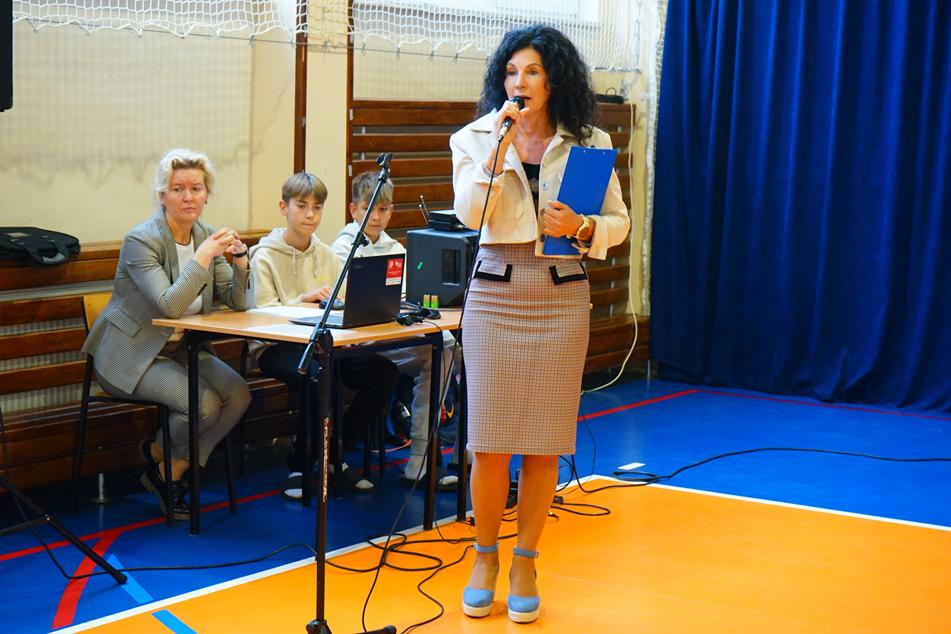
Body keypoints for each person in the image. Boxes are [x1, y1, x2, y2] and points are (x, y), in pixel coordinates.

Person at [450, 25, 631, 623]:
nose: (519, 82)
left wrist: (581, 225)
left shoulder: (590, 141)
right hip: (494, 294)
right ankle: (484, 557)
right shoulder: (475, 137)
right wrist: (496, 154)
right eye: (510, 72)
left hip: (559, 294)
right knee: (489, 441)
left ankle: (525, 560)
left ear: (554, 79)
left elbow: (618, 222)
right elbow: (469, 214)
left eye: (531, 71)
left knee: (545, 439)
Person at [81, 148, 253, 520]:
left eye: (196, 188)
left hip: (178, 350)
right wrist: (203, 256)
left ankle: (167, 465)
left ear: (207, 195)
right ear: (162, 196)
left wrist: (240, 260)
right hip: (130, 354)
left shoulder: (205, 234)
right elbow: (169, 305)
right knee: (204, 405)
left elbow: (238, 302)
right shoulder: (141, 241)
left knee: (238, 394)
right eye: (178, 189)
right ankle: (167, 467)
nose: (188, 197)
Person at [249, 171, 400, 499]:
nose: (310, 215)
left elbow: (343, 304)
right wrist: (301, 302)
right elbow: (261, 315)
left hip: (324, 343)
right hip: (277, 346)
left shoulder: (327, 255)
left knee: (384, 372)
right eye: (302, 206)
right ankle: (301, 466)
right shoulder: (264, 255)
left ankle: (335, 454)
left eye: (317, 208)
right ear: (283, 207)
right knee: (319, 376)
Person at [332, 170, 459, 490]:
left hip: (390, 338)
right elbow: (342, 302)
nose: (376, 217)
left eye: (383, 209)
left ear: (391, 211)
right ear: (353, 209)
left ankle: (422, 458)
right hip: (358, 344)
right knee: (438, 350)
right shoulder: (341, 249)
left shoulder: (397, 249)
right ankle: (414, 456)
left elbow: (404, 297)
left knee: (445, 347)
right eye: (368, 209)